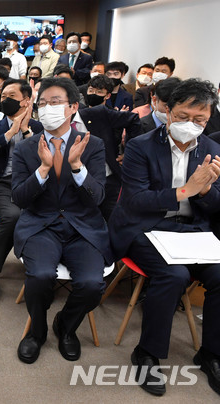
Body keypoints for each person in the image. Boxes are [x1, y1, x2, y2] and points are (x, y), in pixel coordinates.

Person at [108, 78, 220, 398]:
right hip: (145, 229)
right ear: (168, 112)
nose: (191, 125)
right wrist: (187, 189)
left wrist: (208, 189)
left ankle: (211, 353)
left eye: (200, 120)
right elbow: (135, 201)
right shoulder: (141, 146)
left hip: (191, 230)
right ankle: (147, 353)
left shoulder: (213, 150)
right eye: (184, 117)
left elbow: (216, 206)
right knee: (173, 275)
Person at [12, 77, 111, 365]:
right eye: (42, 103)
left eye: (54, 102)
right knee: (41, 277)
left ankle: (66, 326)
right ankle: (37, 332)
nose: (47, 108)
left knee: (93, 284)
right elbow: (19, 198)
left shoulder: (92, 145)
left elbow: (98, 197)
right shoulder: (26, 148)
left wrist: (77, 167)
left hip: (83, 227)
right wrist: (43, 169)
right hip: (41, 225)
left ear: (72, 107)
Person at [0, 79, 43, 304]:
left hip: (33, 184)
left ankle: (44, 271)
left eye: (11, 97)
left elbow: (41, 162)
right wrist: (9, 133)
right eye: (3, 96)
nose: (4, 100)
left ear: (26, 101)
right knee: (13, 216)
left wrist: (24, 132)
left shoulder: (40, 128)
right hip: (1, 184)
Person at [74, 75, 143, 219]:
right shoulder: (80, 112)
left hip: (108, 175)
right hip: (81, 175)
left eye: (99, 92)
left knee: (110, 217)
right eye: (91, 90)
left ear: (107, 95)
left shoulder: (106, 113)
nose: (93, 95)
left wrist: (129, 152)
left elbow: (133, 120)